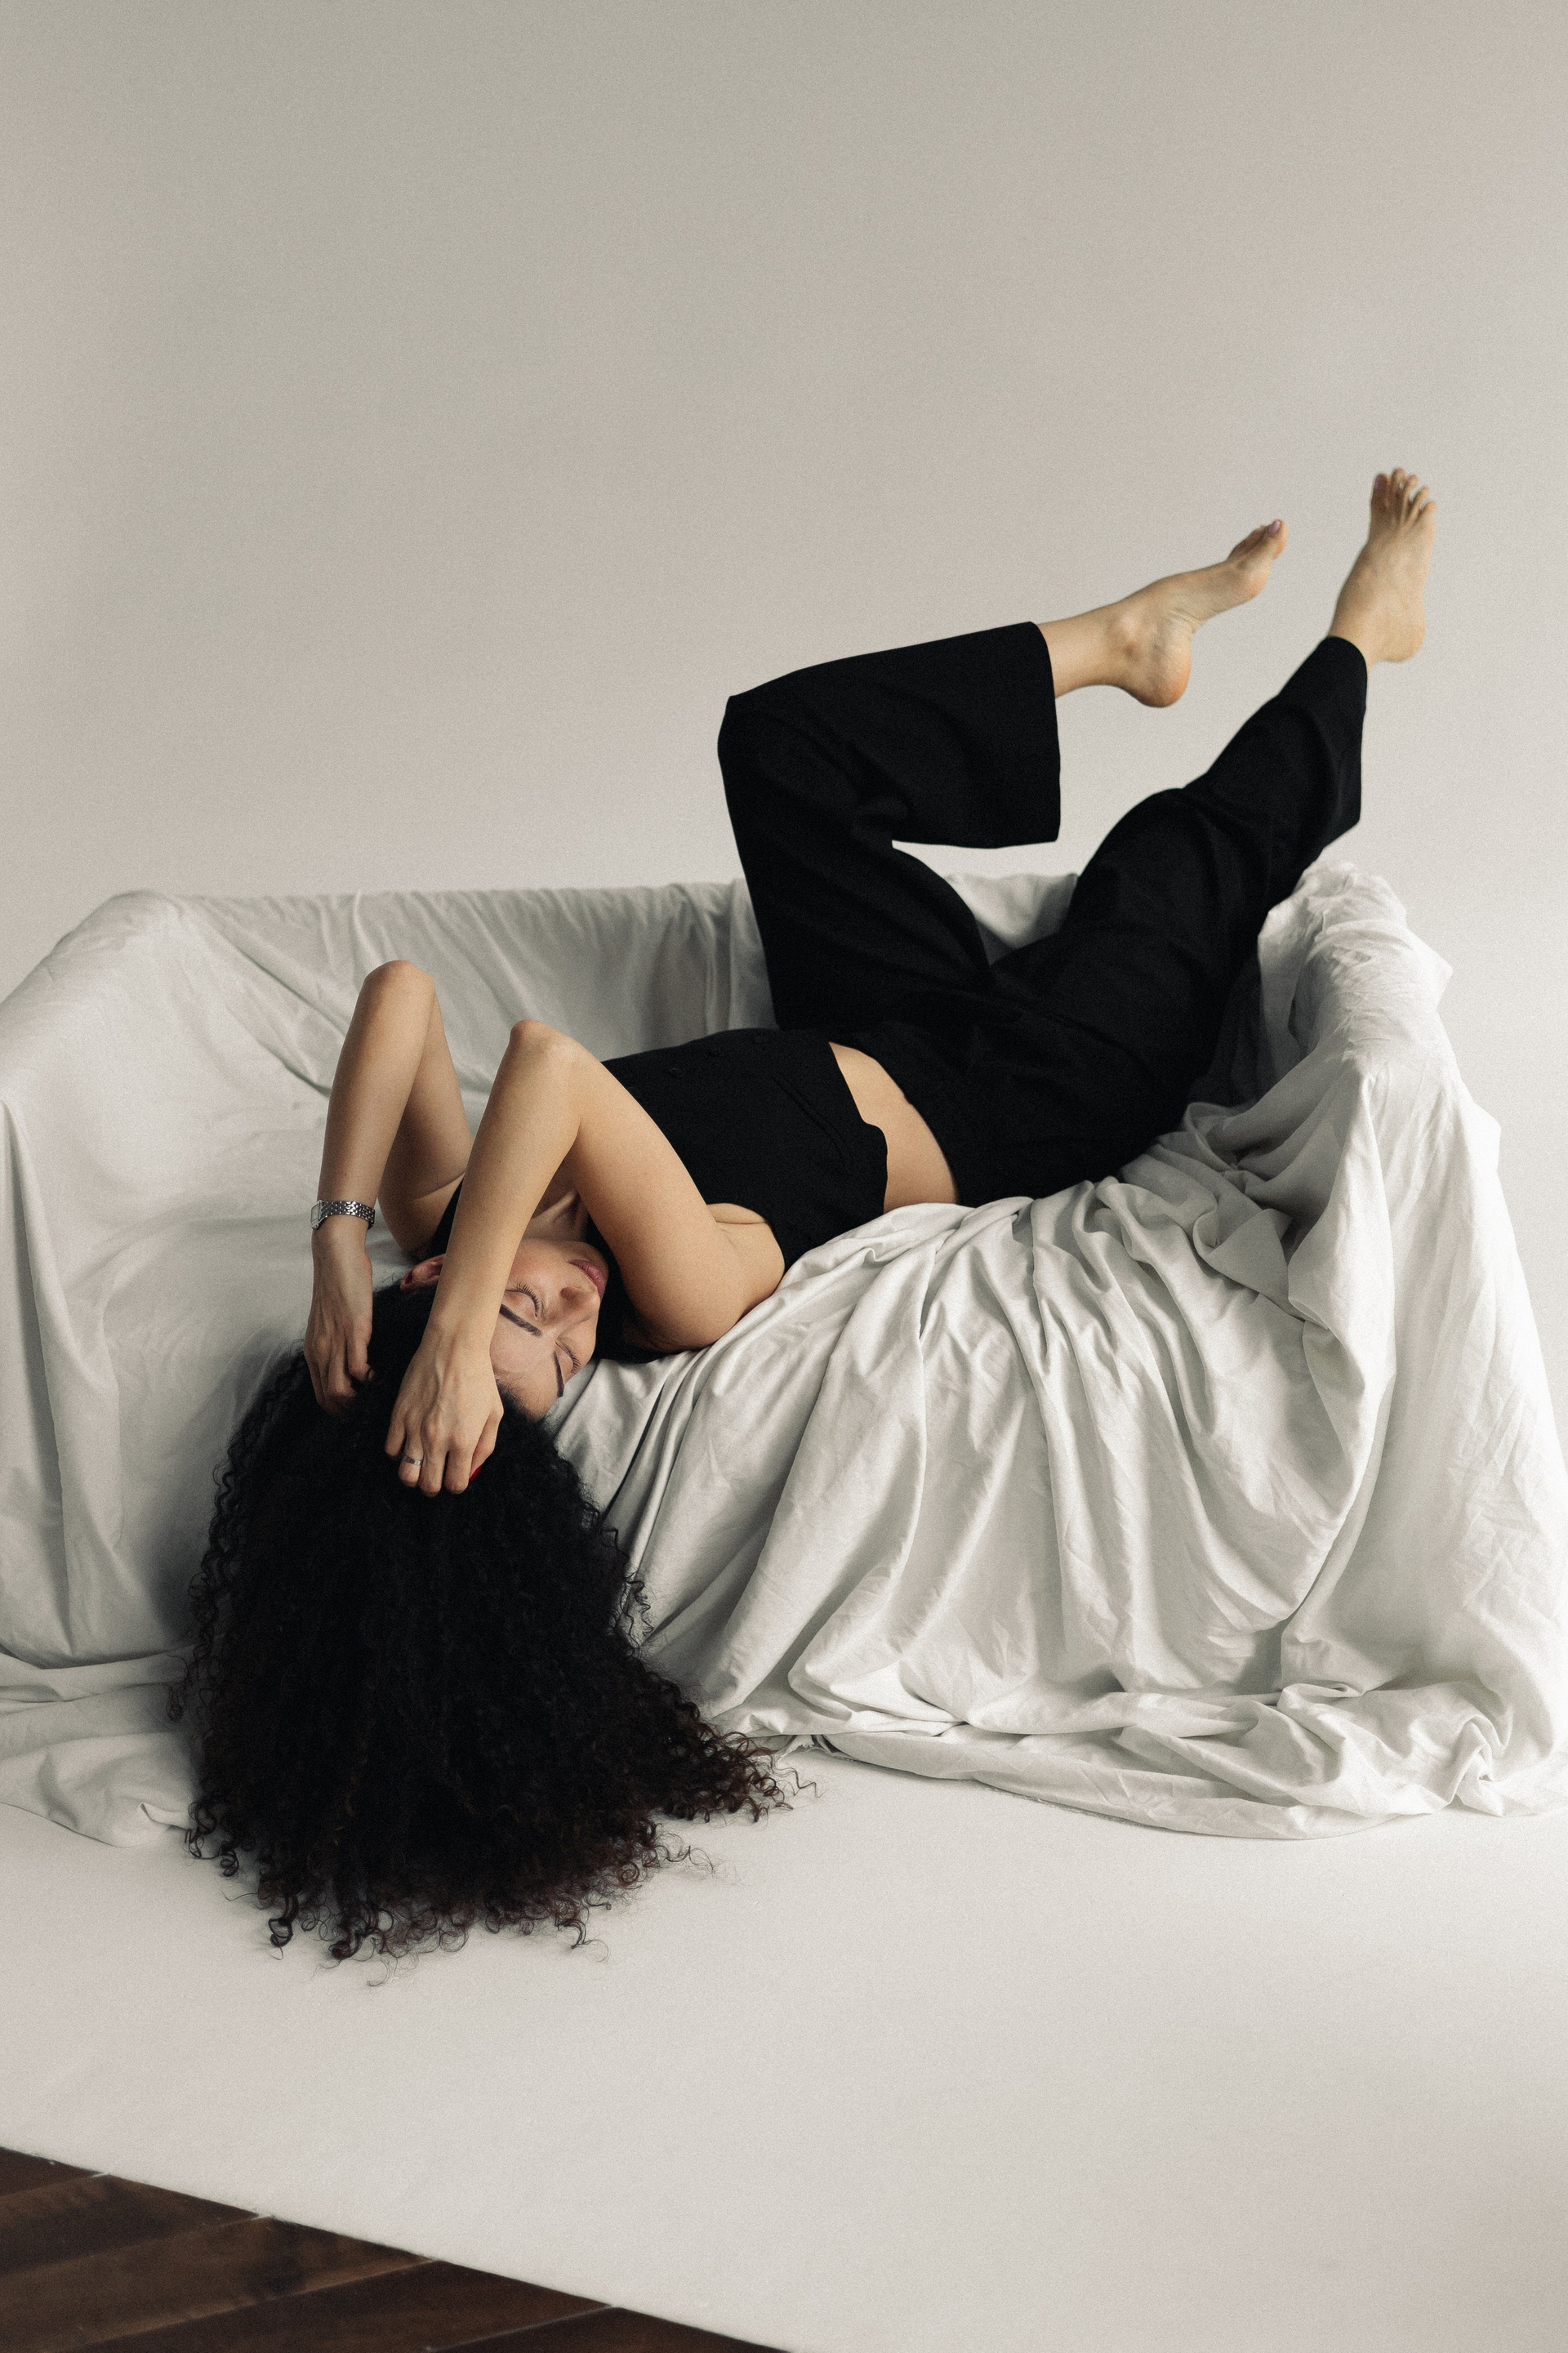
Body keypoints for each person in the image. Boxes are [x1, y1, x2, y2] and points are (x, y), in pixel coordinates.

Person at [172, 471, 1437, 1959]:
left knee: (776, 745)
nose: (573, 1316)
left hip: (880, 1023)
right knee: (1178, 857)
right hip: (1024, 1102)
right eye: (564, 1362)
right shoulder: (677, 1292)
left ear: (434, 1267)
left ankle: (1122, 639)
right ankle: (1364, 640)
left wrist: (342, 1231)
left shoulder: (448, 1209)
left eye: (524, 1308)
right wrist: (466, 1325)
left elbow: (398, 997)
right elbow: (550, 1068)